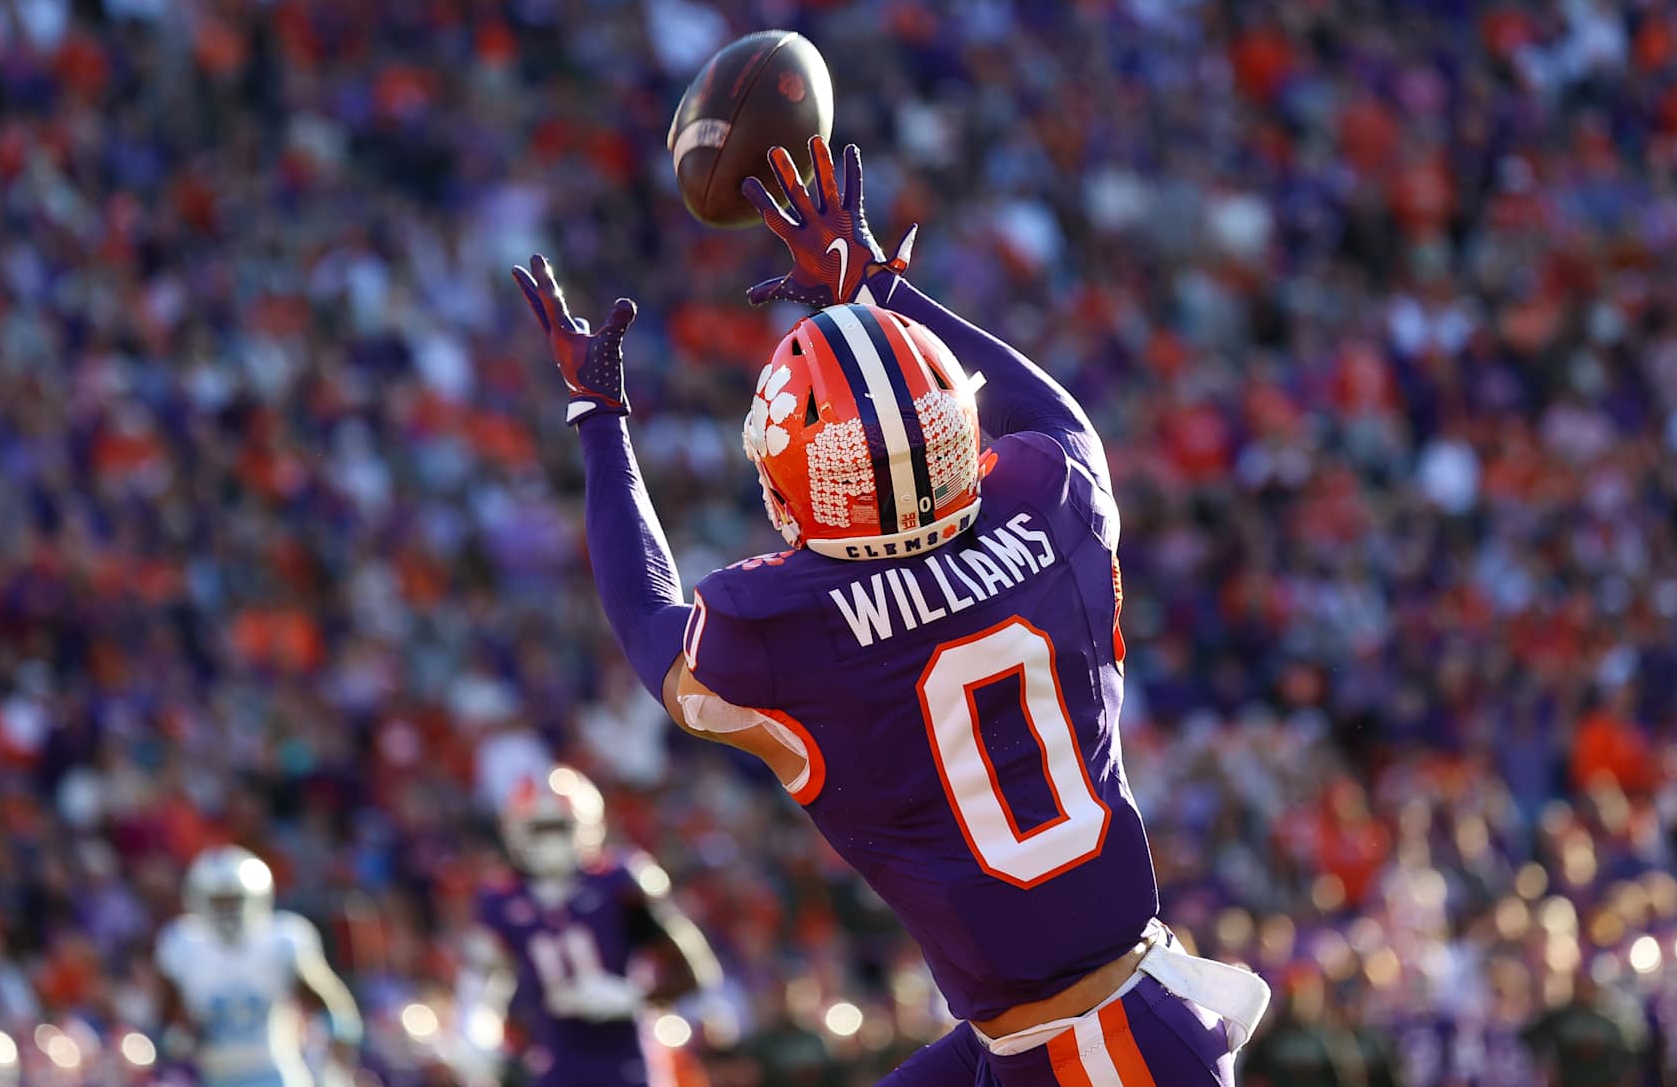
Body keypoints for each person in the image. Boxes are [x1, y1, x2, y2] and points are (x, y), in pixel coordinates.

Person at [510, 137, 1269, 1085]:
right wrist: (877, 286)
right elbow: (1057, 419)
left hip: (1096, 1052)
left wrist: (599, 423)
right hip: (1068, 1024)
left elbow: (649, 625)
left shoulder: (794, 628)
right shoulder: (1049, 501)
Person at [462, 766, 719, 1086]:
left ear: (586, 826)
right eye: (540, 829)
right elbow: (480, 985)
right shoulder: (500, 900)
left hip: (628, 1056)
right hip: (551, 1060)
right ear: (516, 830)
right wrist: (478, 1040)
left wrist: (632, 998)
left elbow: (694, 971)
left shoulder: (619, 883)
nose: (550, 842)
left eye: (558, 827)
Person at [155, 846, 362, 1087]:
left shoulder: (282, 940)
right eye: (219, 902)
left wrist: (337, 1051)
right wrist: (179, 1040)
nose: (228, 912)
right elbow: (169, 1019)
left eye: (234, 901)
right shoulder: (182, 945)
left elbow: (331, 1005)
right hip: (211, 1076)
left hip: (274, 1072)